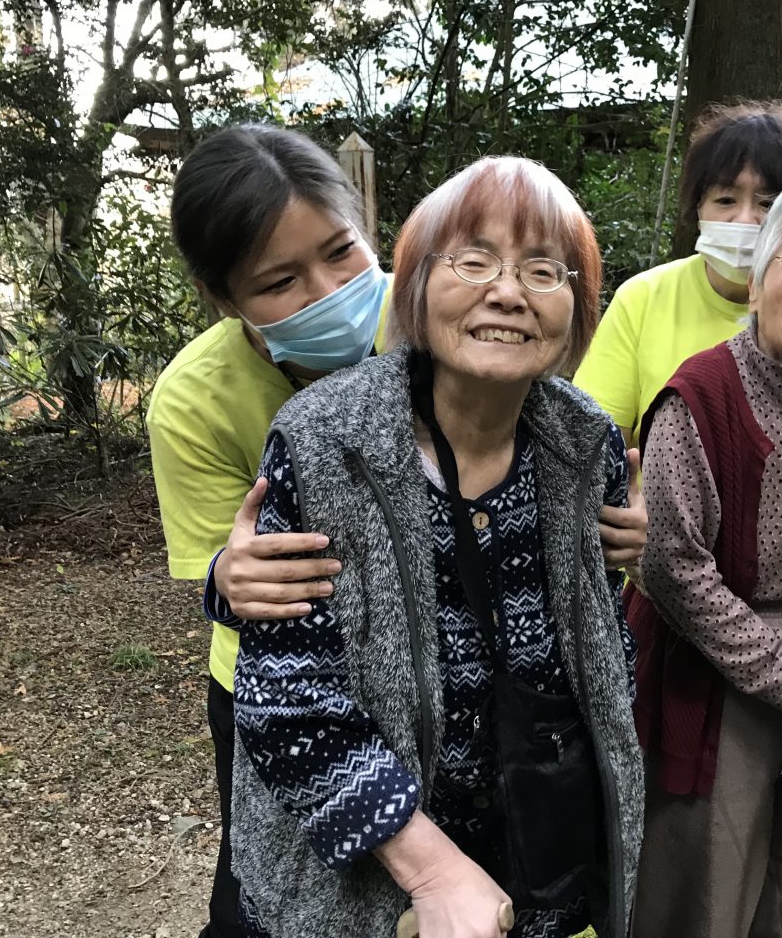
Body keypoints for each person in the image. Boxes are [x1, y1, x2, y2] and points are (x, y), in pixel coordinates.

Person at [230, 156, 643, 938]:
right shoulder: (324, 442)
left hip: (537, 852)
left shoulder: (584, 442)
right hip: (365, 872)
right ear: (416, 283)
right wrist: (432, 868)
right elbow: (286, 696)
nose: (508, 292)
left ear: (579, 309)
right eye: (475, 260)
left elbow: (601, 650)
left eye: (544, 271)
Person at [147, 124, 390, 938]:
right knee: (267, 896)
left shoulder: (435, 330)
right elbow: (221, 565)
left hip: (431, 663)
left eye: (341, 251)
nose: (326, 292)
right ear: (223, 297)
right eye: (280, 280)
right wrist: (229, 577)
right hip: (277, 684)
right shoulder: (194, 400)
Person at [628, 194, 782, 937]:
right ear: (757, 280)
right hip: (720, 670)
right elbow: (670, 565)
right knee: (711, 895)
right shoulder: (703, 394)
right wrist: (775, 667)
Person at [574, 101, 782, 444]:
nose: (745, 220)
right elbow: (592, 444)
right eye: (726, 200)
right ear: (698, 206)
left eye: (766, 204)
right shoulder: (643, 298)